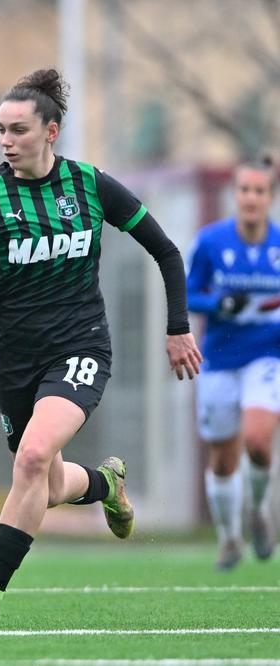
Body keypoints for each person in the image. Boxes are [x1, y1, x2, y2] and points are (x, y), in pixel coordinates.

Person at [0, 68, 202, 627]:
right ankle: (107, 483)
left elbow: (166, 252)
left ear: (51, 131)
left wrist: (177, 326)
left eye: (18, 130)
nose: (6, 141)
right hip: (15, 358)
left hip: (81, 344)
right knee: (48, 478)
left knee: (33, 459)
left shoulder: (90, 185)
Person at [186, 155, 280, 571]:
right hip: (221, 359)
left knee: (258, 441)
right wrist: (218, 303)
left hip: (267, 356)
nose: (251, 198)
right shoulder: (210, 243)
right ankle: (229, 538)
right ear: (234, 194)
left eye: (259, 191)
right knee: (223, 458)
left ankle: (258, 510)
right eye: (244, 189)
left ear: (270, 197)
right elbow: (187, 294)